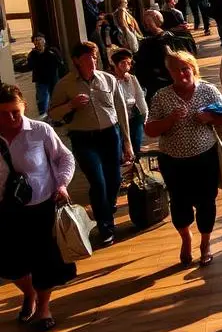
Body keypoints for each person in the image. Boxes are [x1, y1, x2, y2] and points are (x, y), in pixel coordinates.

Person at [0, 83, 78, 331]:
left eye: (15, 111)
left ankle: (44, 308)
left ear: (24, 106)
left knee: (44, 261)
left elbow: (64, 157)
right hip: (5, 211)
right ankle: (29, 292)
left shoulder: (39, 131)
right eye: (3, 113)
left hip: (41, 206)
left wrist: (62, 184)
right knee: (9, 264)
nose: (10, 118)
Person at [144, 50, 222, 267]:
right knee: (179, 203)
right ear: (170, 73)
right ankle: (186, 238)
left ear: (192, 68)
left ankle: (205, 243)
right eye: (175, 70)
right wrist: (170, 120)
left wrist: (210, 117)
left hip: (205, 157)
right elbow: (150, 129)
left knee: (206, 201)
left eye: (185, 68)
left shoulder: (208, 91)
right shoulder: (161, 96)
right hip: (173, 160)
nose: (182, 73)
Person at [47, 42, 134, 245]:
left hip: (110, 135)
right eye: (87, 58)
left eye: (94, 57)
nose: (92, 61)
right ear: (77, 60)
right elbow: (52, 114)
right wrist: (70, 105)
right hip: (83, 138)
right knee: (98, 181)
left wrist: (127, 143)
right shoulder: (65, 84)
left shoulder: (108, 79)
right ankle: (106, 226)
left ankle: (106, 206)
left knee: (113, 179)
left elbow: (121, 111)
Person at [110, 49, 148, 159]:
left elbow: (139, 97)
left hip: (134, 115)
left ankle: (135, 165)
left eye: (129, 63)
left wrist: (145, 115)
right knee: (120, 145)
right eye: (123, 63)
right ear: (115, 65)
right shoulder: (110, 80)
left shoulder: (132, 78)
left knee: (136, 142)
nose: (127, 66)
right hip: (118, 119)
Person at [135, 9, 178, 101]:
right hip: (151, 81)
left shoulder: (165, 37)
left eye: (147, 21)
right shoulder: (148, 39)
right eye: (145, 21)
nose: (145, 24)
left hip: (162, 79)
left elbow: (170, 56)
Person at [26, 35, 65, 117]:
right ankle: (44, 117)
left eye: (39, 39)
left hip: (53, 78)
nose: (37, 42)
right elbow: (29, 67)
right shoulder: (33, 54)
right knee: (43, 100)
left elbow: (60, 63)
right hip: (41, 80)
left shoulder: (52, 51)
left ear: (44, 41)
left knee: (56, 99)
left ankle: (57, 117)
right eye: (35, 40)